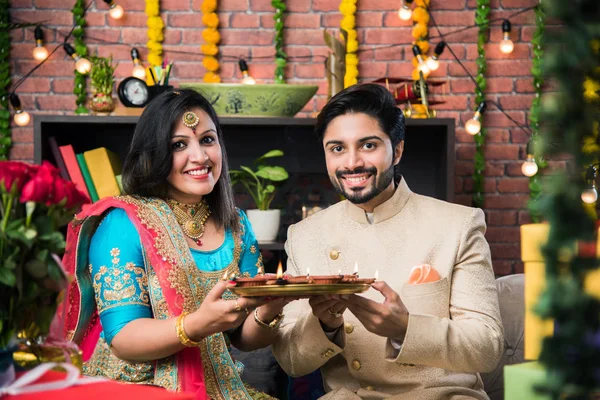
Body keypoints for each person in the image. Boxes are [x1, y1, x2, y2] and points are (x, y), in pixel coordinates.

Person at [272, 83, 504, 399]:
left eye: (368, 145)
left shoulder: (458, 225)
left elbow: (487, 347)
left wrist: (405, 328)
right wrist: (325, 324)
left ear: (397, 150)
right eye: (337, 148)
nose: (351, 163)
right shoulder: (305, 236)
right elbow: (292, 362)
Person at [62, 89, 291, 400]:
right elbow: (122, 337)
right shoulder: (123, 222)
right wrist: (197, 324)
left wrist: (269, 311)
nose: (199, 157)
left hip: (222, 389)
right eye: (178, 145)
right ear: (152, 153)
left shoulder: (236, 224)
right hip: (140, 388)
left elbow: (242, 337)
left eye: (208, 140)